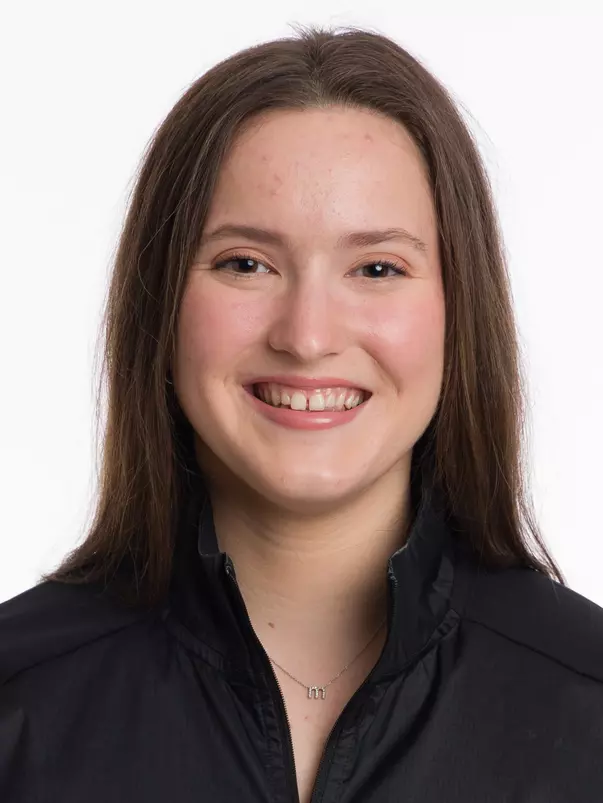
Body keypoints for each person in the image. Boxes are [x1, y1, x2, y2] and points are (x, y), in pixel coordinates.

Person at [1, 22, 602, 803]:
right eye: (245, 263)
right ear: (160, 303)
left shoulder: (586, 706)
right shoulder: (18, 700)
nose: (308, 336)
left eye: (377, 267)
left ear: (459, 308)